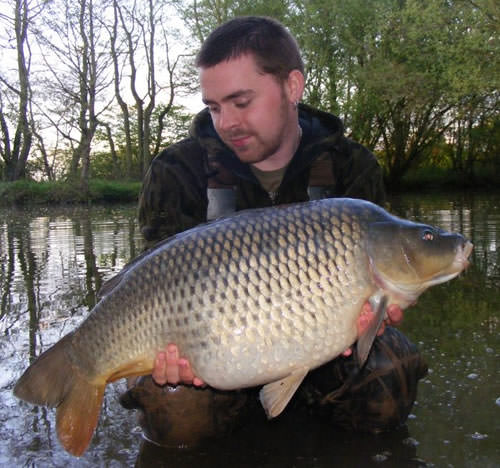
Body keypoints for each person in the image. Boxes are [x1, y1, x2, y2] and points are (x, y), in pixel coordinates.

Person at [121, 16, 427, 447]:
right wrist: (168, 357)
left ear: (292, 86)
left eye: (241, 102)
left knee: (388, 367)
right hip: (216, 357)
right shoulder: (177, 171)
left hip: (322, 353)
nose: (225, 122)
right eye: (214, 106)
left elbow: (385, 279)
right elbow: (154, 287)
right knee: (173, 406)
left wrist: (374, 315)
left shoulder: (352, 168)